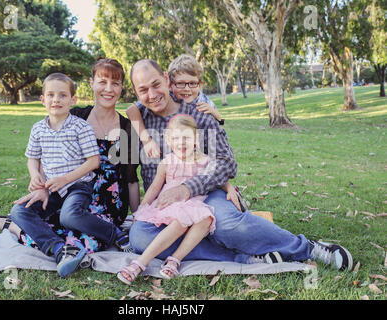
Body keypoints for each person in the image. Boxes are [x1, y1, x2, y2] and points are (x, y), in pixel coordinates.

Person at [128, 58, 354, 271]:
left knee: (227, 225)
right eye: (143, 90)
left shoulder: (200, 114)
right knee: (140, 237)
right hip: (166, 204)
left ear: (166, 79)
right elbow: (128, 173)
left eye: (155, 84)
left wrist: (188, 188)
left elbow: (227, 163)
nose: (152, 94)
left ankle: (306, 248)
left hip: (206, 193)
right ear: (136, 93)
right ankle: (244, 257)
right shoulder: (138, 122)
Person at [0, 59, 140, 277]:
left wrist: (136, 215)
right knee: (36, 216)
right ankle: (13, 223)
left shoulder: (127, 129)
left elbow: (131, 179)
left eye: (115, 83)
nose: (108, 89)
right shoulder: (75, 116)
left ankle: (11, 225)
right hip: (64, 192)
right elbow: (44, 155)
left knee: (86, 241)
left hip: (105, 205)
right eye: (102, 81)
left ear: (121, 88)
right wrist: (41, 187)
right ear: (91, 83)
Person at [118, 114, 242, 284]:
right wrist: (141, 209)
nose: (181, 142)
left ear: (195, 138)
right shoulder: (167, 162)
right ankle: (139, 264)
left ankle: (174, 260)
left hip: (192, 205)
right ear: (168, 140)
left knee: (205, 218)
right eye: (176, 138)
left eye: (186, 137)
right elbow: (155, 187)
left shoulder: (205, 161)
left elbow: (220, 178)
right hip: (170, 205)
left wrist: (230, 189)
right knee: (180, 220)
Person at [126, 54, 224, 159]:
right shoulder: (154, 103)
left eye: (192, 83)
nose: (187, 89)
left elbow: (220, 131)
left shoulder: (203, 106)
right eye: (180, 84)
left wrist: (217, 117)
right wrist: (146, 139)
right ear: (171, 84)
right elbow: (131, 110)